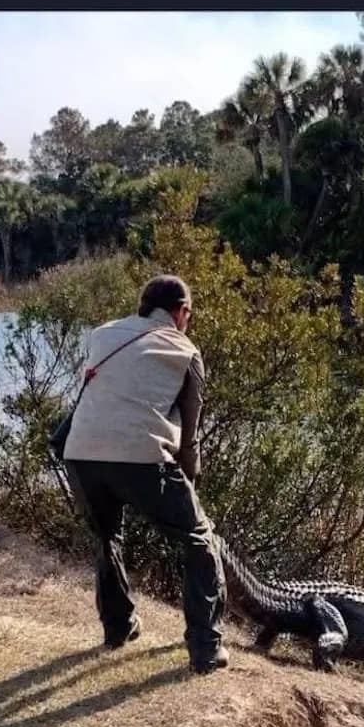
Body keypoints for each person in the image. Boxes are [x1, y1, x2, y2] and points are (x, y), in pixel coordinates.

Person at [63, 275, 228, 674]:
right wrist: (190, 481)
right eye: (189, 314)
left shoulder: (101, 334)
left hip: (81, 453)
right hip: (141, 458)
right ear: (181, 311)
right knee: (199, 540)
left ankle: (118, 627)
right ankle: (206, 647)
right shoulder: (186, 351)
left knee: (107, 538)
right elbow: (189, 434)